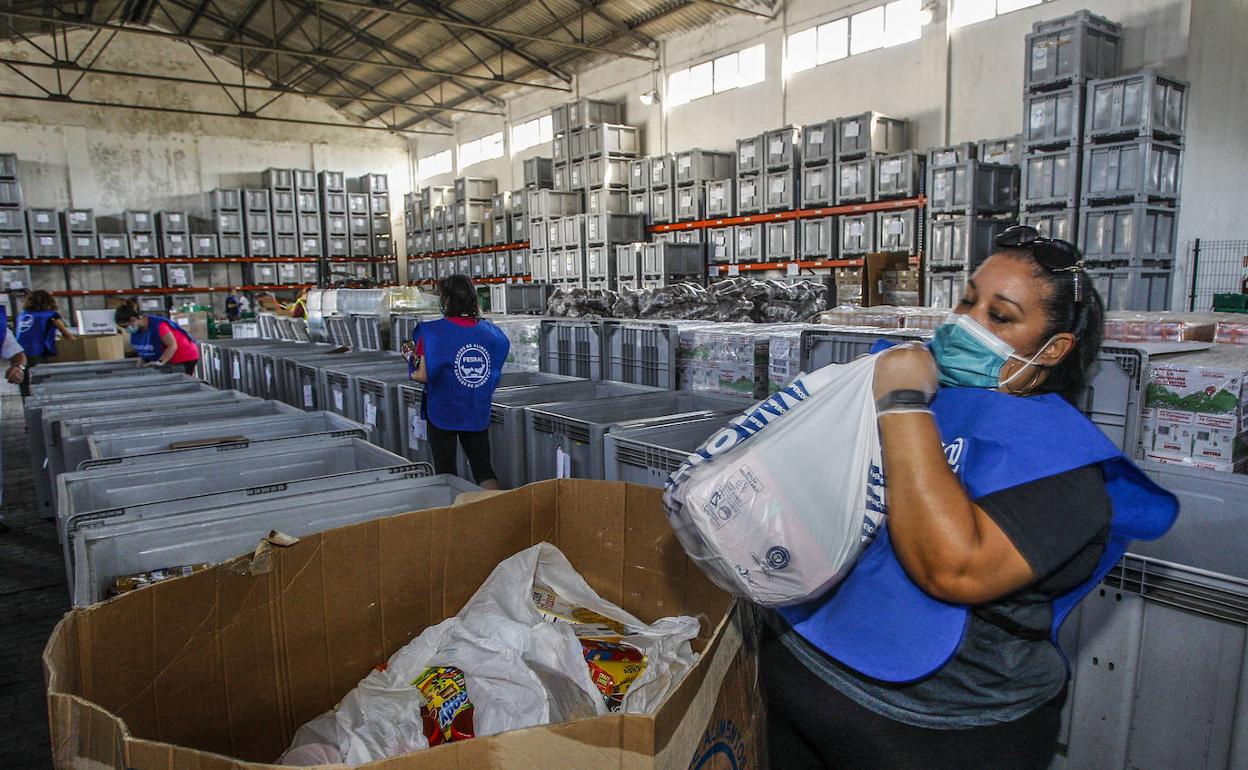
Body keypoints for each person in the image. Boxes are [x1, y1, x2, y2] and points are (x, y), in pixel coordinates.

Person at [761, 226, 1177, 770]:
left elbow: (953, 569)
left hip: (933, 732)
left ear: (1052, 349)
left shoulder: (1065, 469)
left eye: (999, 316)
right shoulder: (928, 395)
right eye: (966, 301)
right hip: (800, 674)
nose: (965, 324)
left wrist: (903, 403)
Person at [403, 275, 509, 490]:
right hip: (475, 408)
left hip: (443, 411)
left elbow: (424, 375)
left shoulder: (432, 332)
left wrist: (411, 368)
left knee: (446, 470)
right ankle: (497, 511)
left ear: (446, 300)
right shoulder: (492, 333)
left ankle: (454, 516)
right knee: (483, 468)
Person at [16, 290, 75, 398]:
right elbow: (67, 335)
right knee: (39, 383)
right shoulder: (50, 316)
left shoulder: (22, 315)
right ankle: (39, 409)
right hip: (35, 352)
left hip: (18, 353)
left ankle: (27, 408)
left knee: (23, 383)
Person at [114, 304, 201, 375]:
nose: (126, 330)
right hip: (167, 358)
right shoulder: (137, 331)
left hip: (183, 356)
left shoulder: (158, 325)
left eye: (125, 326)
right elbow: (144, 353)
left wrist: (159, 362)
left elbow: (172, 346)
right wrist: (138, 370)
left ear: (132, 319)